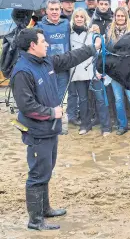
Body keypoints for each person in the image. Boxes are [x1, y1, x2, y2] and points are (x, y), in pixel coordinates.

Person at [11, 28, 101, 230]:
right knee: (37, 174)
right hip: (37, 131)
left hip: (50, 130)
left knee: (46, 170)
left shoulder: (46, 61)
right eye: (43, 41)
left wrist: (91, 49)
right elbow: (27, 106)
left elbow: (69, 58)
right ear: (33, 45)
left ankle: (45, 209)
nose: (47, 44)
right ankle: (35, 221)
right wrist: (52, 113)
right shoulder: (22, 72)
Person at [69, 8, 111, 136]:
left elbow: (98, 53)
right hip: (77, 70)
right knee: (82, 99)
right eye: (77, 16)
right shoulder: (69, 34)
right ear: (74, 19)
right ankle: (85, 125)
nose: (79, 19)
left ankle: (106, 127)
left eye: (82, 17)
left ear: (86, 19)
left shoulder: (92, 33)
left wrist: (98, 70)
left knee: (100, 99)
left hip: (93, 71)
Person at [35, 0, 73, 132]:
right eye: (52, 9)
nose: (55, 12)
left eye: (57, 9)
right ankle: (45, 124)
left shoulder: (67, 24)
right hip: (46, 68)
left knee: (60, 98)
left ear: (60, 10)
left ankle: (58, 125)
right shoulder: (39, 26)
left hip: (63, 68)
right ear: (46, 11)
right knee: (47, 97)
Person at [106, 7, 130, 137]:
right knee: (119, 100)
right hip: (114, 72)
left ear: (126, 17)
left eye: (122, 16)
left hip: (129, 72)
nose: (120, 18)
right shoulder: (109, 32)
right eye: (118, 16)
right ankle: (122, 126)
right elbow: (106, 51)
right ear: (115, 17)